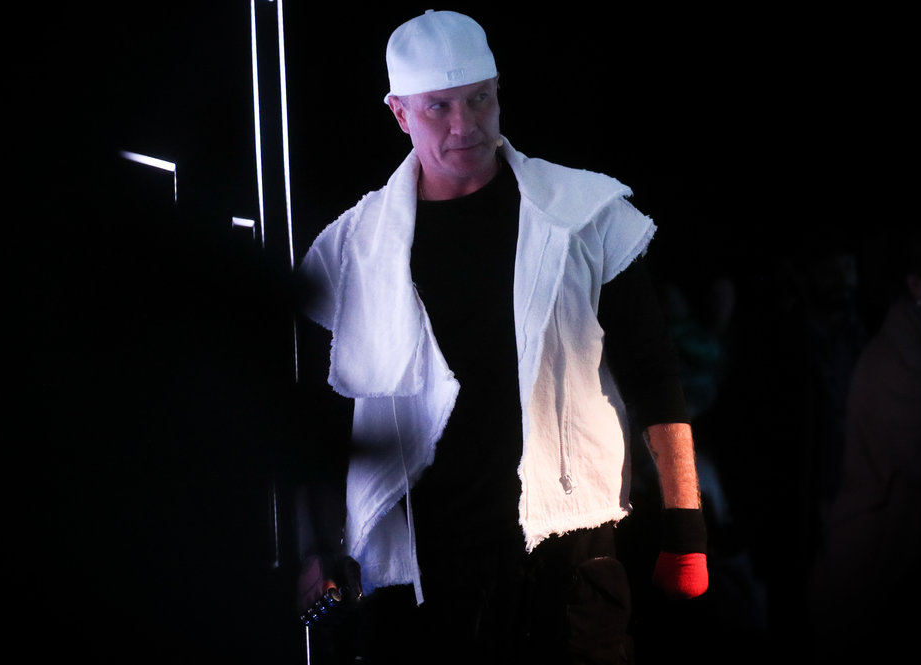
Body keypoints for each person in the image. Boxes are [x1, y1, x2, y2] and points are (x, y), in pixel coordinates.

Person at [293, 11, 708, 664]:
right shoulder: (353, 248)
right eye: (439, 107)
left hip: (568, 551)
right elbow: (317, 413)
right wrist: (317, 544)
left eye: (479, 98)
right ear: (400, 114)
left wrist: (686, 525)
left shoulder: (584, 214)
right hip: (424, 570)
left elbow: (653, 372)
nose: (465, 125)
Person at [809, 228, 921, 662]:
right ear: (916, 284)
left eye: (847, 268)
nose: (842, 278)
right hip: (881, 555)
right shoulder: (897, 356)